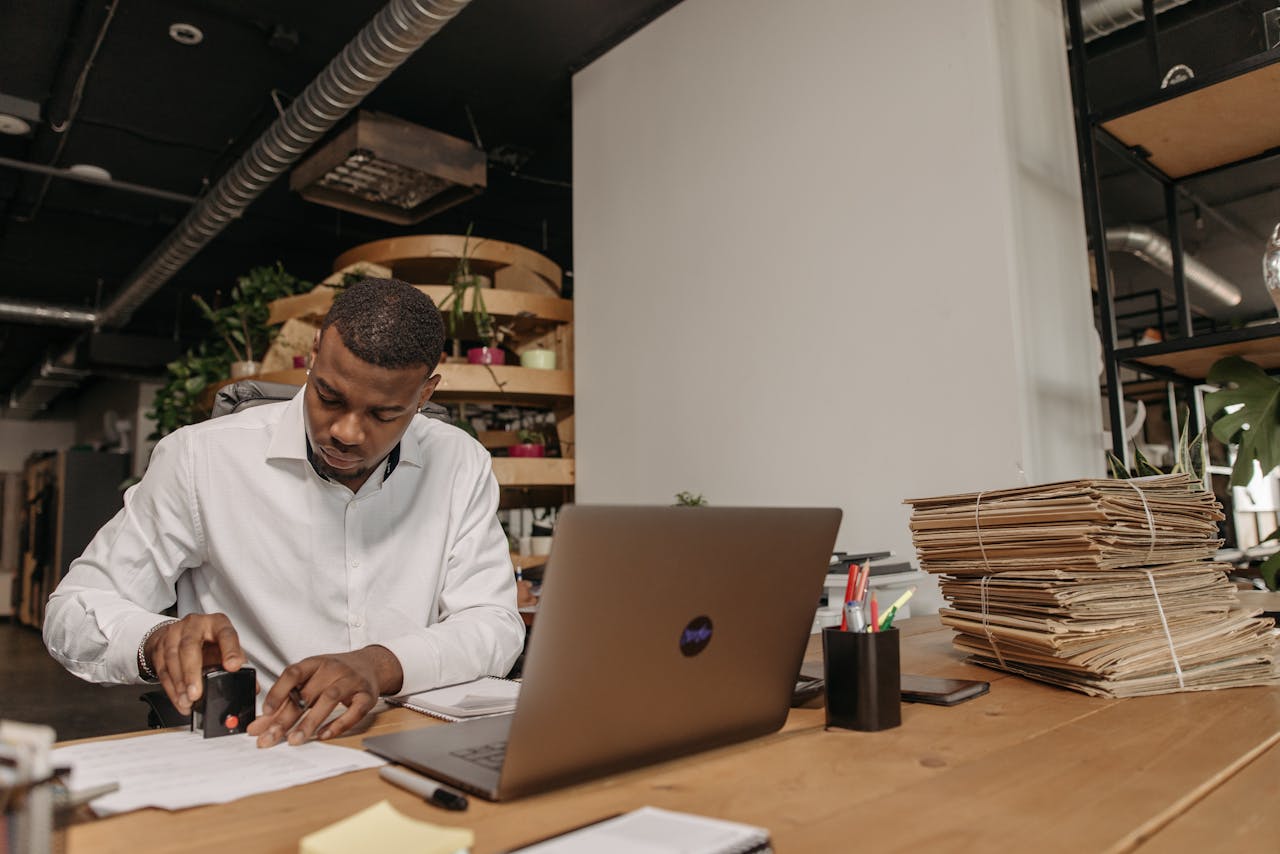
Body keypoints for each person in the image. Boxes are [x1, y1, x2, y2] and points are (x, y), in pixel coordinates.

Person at [44, 277, 525, 747]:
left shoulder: (461, 462)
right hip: (256, 745)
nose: (347, 432)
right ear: (314, 356)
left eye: (384, 414)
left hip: (404, 740)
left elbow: (494, 623)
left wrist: (380, 664)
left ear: (425, 395)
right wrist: (156, 640)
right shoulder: (200, 459)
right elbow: (72, 612)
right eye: (329, 397)